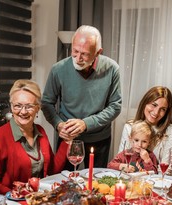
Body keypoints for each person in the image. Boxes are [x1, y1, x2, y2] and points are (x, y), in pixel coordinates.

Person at [41, 25, 122, 169]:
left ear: (98, 52)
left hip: (99, 138)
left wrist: (86, 124)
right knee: (64, 182)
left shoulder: (112, 68)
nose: (78, 58)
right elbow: (46, 103)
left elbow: (115, 106)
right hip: (68, 138)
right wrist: (59, 125)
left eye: (84, 54)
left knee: (96, 183)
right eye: (75, 51)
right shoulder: (58, 69)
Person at [0, 80, 69, 199]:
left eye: (29, 106)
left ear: (38, 108)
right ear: (11, 107)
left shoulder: (40, 131)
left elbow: (52, 170)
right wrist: (17, 196)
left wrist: (67, 141)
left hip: (33, 202)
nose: (23, 112)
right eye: (17, 106)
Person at [119, 86, 172, 175]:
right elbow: (122, 163)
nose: (156, 112)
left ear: (167, 112)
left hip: (156, 183)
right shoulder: (129, 127)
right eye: (154, 105)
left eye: (162, 109)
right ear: (144, 103)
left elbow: (165, 172)